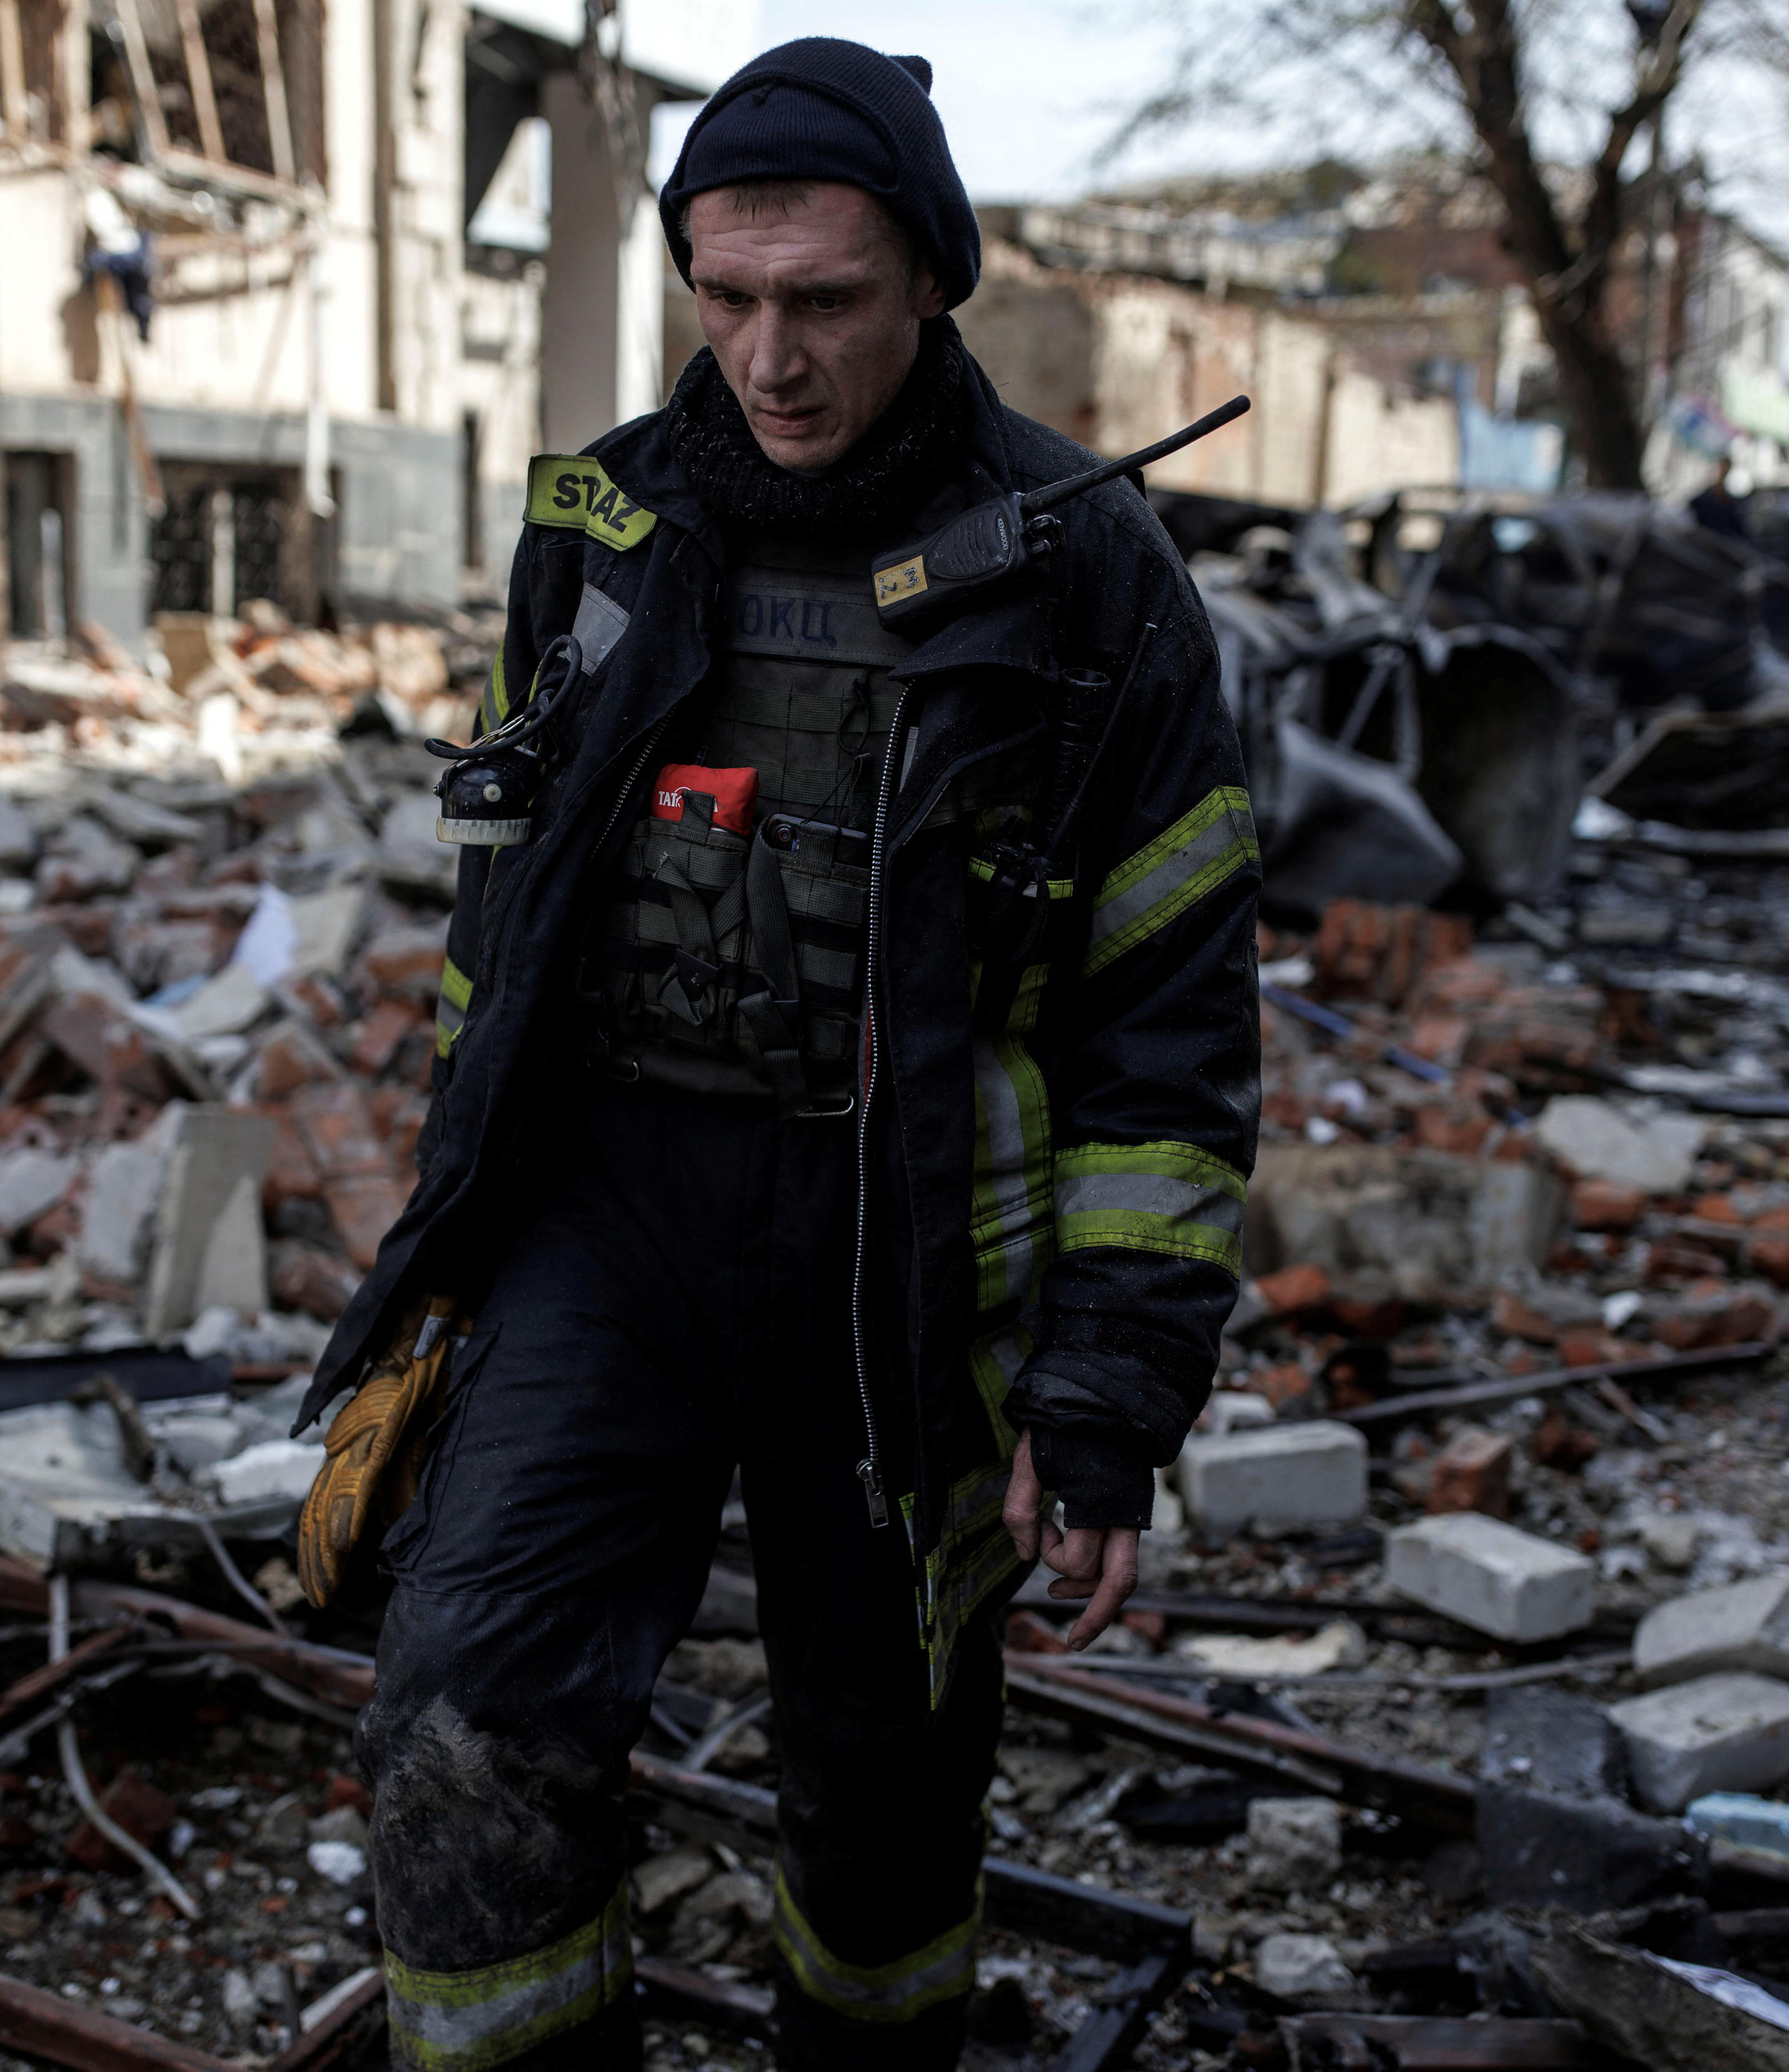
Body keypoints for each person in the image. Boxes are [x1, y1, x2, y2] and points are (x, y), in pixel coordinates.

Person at [297, 38, 1262, 2068]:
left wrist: (1107, 1389)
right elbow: (511, 913)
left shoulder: (1090, 577)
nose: (769, 357)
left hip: (891, 1270)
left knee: (886, 1778)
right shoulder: (604, 525)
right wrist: (458, 1227)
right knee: (462, 1707)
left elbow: (1166, 1019)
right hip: (609, 1228)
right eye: (722, 300)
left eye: (821, 300)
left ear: (933, 279)